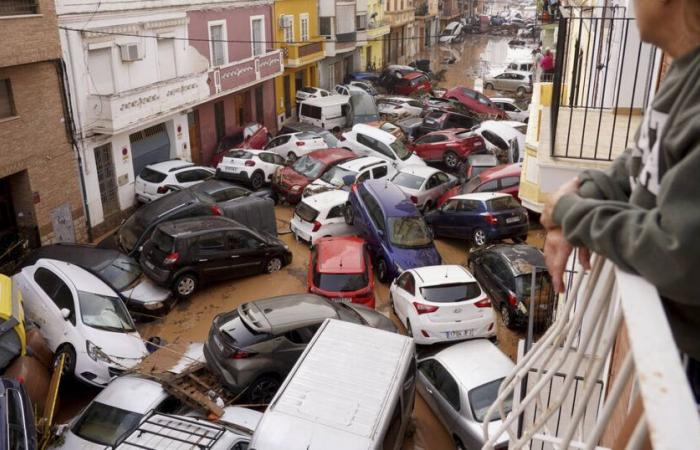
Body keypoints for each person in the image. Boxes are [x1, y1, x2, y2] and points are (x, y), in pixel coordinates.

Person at [540, 0, 700, 362]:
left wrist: (570, 212)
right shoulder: (684, 69)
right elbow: (642, 160)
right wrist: (587, 191)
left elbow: (681, 253)